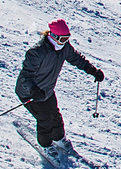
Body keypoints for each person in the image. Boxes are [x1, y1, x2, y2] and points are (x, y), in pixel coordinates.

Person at [16, 19, 104, 155]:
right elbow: (26, 76)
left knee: (55, 115)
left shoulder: (65, 48)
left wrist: (93, 70)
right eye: (63, 39)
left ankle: (59, 138)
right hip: (30, 93)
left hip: (47, 90)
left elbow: (77, 59)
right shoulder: (37, 52)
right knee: (45, 118)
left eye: (67, 38)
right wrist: (33, 89)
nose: (65, 42)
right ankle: (46, 145)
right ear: (54, 36)